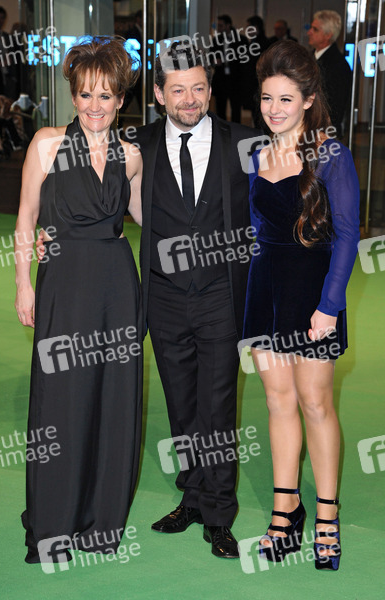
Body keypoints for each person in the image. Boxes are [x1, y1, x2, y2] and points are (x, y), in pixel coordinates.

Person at [14, 36, 143, 564]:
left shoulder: (131, 155)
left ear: (120, 99)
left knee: (112, 402)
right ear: (73, 96)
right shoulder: (46, 144)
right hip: (63, 286)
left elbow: (148, 218)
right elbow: (26, 217)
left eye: (106, 96)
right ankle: (54, 524)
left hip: (117, 287)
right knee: (61, 402)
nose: (95, 106)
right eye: (86, 94)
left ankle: (98, 523)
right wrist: (23, 283)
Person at [131, 42, 261, 558]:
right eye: (178, 90)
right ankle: (191, 496)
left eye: (199, 88)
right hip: (163, 296)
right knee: (181, 406)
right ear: (159, 94)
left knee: (217, 406)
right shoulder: (137, 144)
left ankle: (219, 513)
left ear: (210, 89)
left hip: (220, 297)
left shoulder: (244, 142)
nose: (190, 99)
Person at [242, 40, 360, 570]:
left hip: (314, 293)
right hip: (264, 290)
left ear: (309, 100)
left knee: (316, 403)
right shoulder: (254, 153)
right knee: (277, 402)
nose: (274, 109)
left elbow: (348, 235)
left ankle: (327, 515)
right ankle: (285, 510)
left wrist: (329, 305)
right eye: (267, 98)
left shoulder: (331, 154)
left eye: (286, 99)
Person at [307, 10, 352, 138]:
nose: (309, 32)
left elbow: (335, 109)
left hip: (322, 135)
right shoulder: (308, 58)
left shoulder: (338, 65)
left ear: (328, 35)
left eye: (315, 29)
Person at [211, 14, 248, 123]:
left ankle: (236, 129)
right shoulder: (216, 40)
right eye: (218, 25)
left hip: (236, 79)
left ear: (228, 25)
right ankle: (221, 129)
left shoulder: (241, 40)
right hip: (221, 78)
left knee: (236, 108)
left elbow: (245, 60)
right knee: (220, 108)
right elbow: (211, 57)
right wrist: (214, 62)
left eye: (221, 25)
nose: (219, 28)